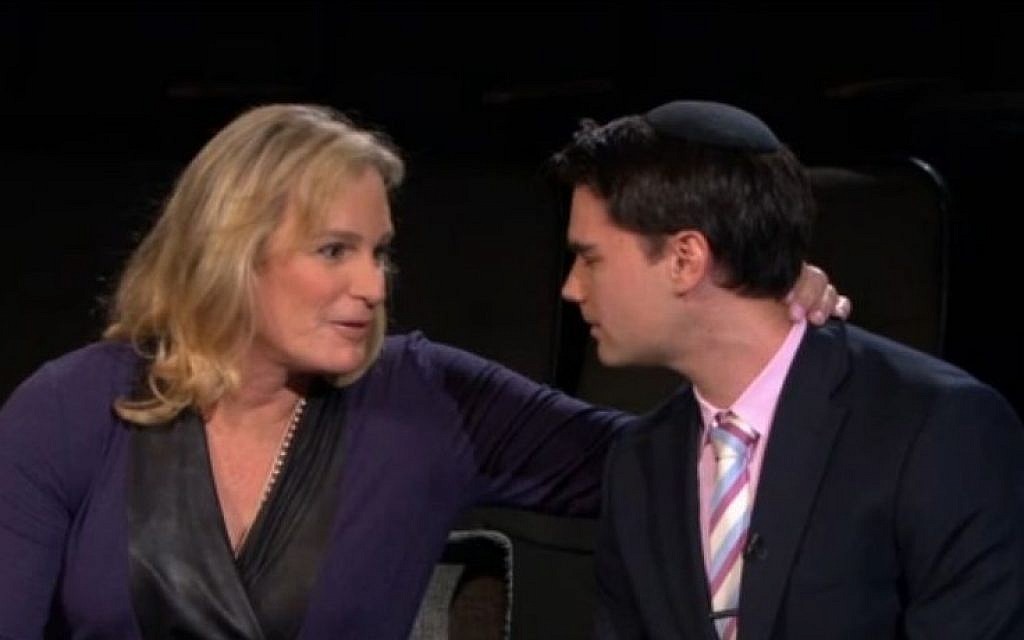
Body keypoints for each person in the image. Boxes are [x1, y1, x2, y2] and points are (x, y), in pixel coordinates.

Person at [0, 104, 844, 639]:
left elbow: (684, 464)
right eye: (335, 251)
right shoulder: (72, 409)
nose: (373, 288)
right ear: (230, 253)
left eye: (379, 254)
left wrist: (753, 310)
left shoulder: (427, 399)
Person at [551, 99, 1024, 640]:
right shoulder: (639, 463)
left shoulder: (938, 428)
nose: (571, 288)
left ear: (685, 259)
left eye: (590, 258)